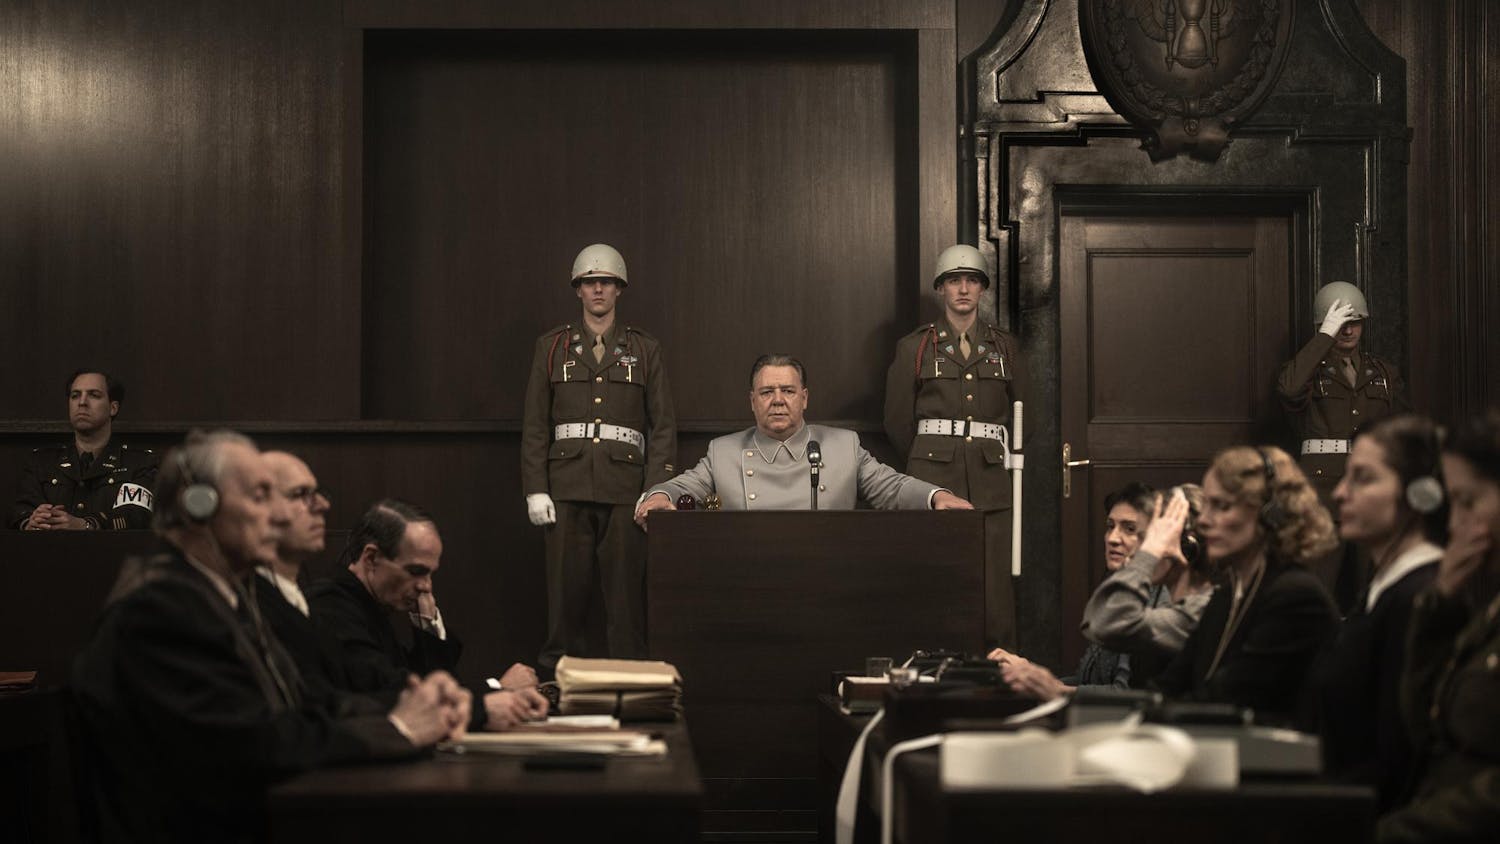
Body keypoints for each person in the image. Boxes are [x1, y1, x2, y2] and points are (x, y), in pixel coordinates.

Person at [71, 430, 468, 844]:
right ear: (199, 506)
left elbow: (308, 704)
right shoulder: (162, 609)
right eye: (260, 496)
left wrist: (413, 706)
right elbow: (251, 743)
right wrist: (398, 730)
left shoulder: (216, 597)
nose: (276, 517)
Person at [521, 243, 677, 674]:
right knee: (564, 600)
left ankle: (631, 684)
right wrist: (536, 488)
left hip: (626, 493)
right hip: (566, 488)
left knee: (626, 603)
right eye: (590, 282)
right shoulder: (551, 347)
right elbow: (535, 424)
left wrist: (656, 487)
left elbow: (662, 426)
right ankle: (558, 683)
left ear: (619, 289)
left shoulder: (644, 349)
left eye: (605, 282)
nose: (598, 289)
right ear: (578, 289)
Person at [885, 244, 1028, 648]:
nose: (963, 288)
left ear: (982, 289)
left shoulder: (1005, 347)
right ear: (941, 289)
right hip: (933, 480)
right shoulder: (915, 347)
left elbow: (1025, 418)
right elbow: (896, 421)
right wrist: (924, 469)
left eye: (971, 280)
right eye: (953, 280)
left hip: (991, 482)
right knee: (933, 578)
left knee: (995, 592)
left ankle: (1000, 676)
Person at [635, 355, 973, 520]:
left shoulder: (844, 446)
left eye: (788, 391)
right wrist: (658, 496)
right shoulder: (724, 452)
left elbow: (892, 487)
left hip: (830, 579)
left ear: (805, 398)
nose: (778, 400)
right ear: (752, 401)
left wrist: (935, 496)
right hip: (747, 581)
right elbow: (685, 486)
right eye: (767, 392)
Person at [308, 499, 548, 730]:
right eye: (416, 571)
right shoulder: (331, 606)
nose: (426, 586)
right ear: (371, 558)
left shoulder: (370, 603)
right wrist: (496, 688)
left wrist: (427, 626)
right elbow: (398, 695)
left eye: (430, 574)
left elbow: (434, 683)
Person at [1150, 446, 1340, 726]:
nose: (1203, 520)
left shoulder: (1296, 597)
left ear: (1269, 513)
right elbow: (1171, 684)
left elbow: (1229, 699)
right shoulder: (1226, 596)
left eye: (1222, 506)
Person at [1377, 410, 1500, 843]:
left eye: (1468, 502)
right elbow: (1426, 726)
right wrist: (1441, 602)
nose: (1453, 525)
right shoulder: (1487, 613)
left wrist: (1396, 832)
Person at [1312, 415, 1445, 811]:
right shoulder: (1380, 589)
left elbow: (1399, 758)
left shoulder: (1420, 595)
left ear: (1420, 495)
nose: (1339, 493)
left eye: (1363, 478)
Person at [1277, 282, 1409, 609]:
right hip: (1321, 495)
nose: (1347, 329)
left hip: (1372, 492)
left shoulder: (1382, 373)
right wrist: (1324, 337)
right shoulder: (1307, 371)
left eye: (1354, 321)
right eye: (1339, 322)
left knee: (1375, 593)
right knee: (1316, 594)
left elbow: (1402, 428)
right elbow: (1290, 389)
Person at [989, 482, 1158, 699]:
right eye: (1110, 526)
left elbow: (1125, 694)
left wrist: (1052, 688)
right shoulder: (1116, 590)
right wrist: (1030, 674)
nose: (1113, 538)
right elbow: (1086, 680)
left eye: (1129, 529)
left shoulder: (1154, 598)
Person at [1081, 484, 1217, 690]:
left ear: (1186, 547)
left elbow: (1105, 623)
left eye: (1146, 539)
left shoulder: (1202, 609)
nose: (1141, 551)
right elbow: (1095, 625)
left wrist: (1147, 556)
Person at [252, 451, 351, 695]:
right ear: (257, 509)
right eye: (300, 494)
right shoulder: (251, 606)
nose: (323, 505)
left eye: (317, 493)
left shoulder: (299, 599)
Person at [10, 369, 158, 530]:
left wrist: (87, 525)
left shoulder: (139, 463)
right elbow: (17, 512)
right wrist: (32, 522)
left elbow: (138, 516)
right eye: (75, 395)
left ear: (113, 408)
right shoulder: (41, 461)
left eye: (94, 395)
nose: (82, 402)